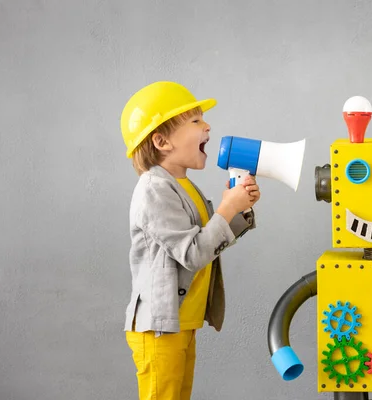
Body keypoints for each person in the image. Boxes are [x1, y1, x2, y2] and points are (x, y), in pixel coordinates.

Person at [119, 81, 260, 400]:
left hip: (180, 322)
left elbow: (206, 240)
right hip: (158, 328)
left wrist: (238, 211)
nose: (207, 125)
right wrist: (226, 208)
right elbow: (193, 254)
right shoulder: (155, 190)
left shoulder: (183, 186)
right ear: (161, 140)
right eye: (195, 121)